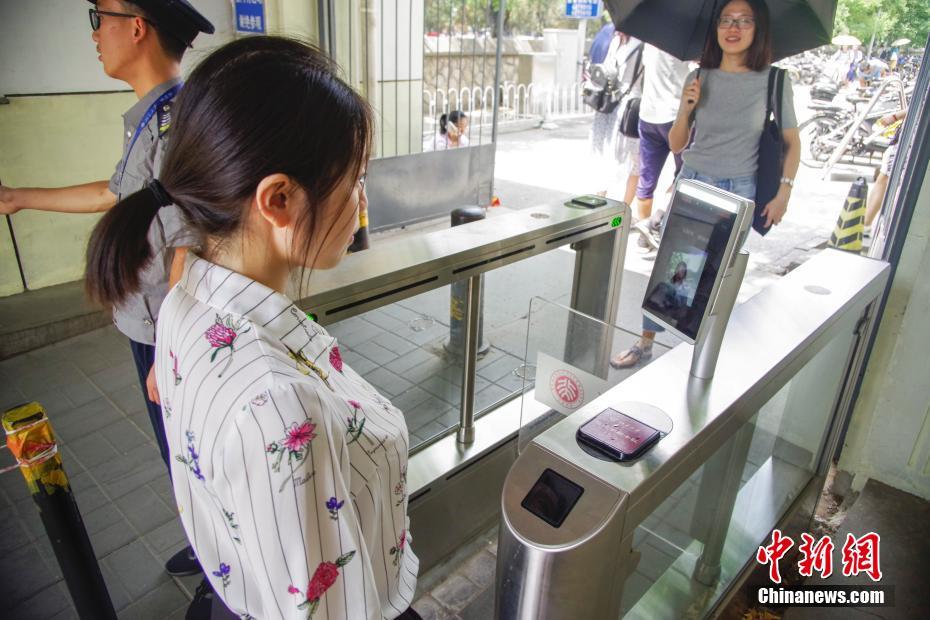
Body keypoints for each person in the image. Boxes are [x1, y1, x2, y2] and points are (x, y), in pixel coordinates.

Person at [84, 36, 420, 620]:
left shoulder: (184, 301)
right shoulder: (278, 403)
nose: (361, 200)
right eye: (354, 178)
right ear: (279, 199)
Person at [0, 0, 213, 585]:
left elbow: (186, 242)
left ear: (137, 26)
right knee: (182, 453)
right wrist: (18, 197)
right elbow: (116, 194)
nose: (95, 34)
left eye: (100, 18)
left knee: (189, 456)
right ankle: (209, 547)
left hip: (162, 328)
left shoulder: (173, 123)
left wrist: (170, 345)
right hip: (151, 325)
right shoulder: (155, 115)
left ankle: (222, 563)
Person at [611, 0, 801, 369]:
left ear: (758, 28)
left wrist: (785, 193)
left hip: (738, 191)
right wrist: (685, 108)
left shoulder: (774, 81)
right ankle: (646, 341)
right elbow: (677, 144)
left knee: (714, 277)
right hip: (692, 184)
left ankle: (700, 355)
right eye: (726, 20)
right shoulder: (699, 77)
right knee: (672, 269)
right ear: (715, 28)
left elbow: (793, 144)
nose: (733, 28)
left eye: (744, 21)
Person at [632, 44, 692, 249]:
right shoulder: (686, 45)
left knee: (646, 178)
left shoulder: (650, 40)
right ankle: (655, 222)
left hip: (647, 115)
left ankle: (643, 234)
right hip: (676, 118)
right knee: (684, 174)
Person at [865, 108, 907, 229]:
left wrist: (895, 116)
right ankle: (866, 222)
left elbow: (924, 102)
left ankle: (866, 223)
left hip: (912, 139)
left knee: (885, 179)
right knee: (883, 179)